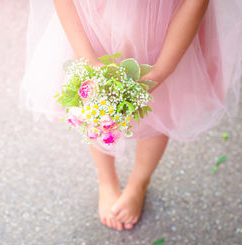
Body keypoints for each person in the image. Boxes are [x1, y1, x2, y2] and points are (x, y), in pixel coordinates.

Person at [20, 0, 242, 231]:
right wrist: (89, 61)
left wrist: (160, 71)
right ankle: (106, 181)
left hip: (166, 31)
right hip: (96, 24)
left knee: (161, 107)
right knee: (98, 107)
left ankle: (138, 183)